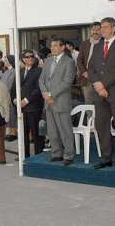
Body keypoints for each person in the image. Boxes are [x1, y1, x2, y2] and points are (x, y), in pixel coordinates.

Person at [88, 18, 115, 172]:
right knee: (101, 126)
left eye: (105, 27)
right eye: (101, 27)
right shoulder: (98, 45)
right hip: (100, 93)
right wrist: (97, 84)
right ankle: (106, 158)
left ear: (113, 28)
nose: (102, 30)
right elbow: (91, 67)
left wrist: (103, 84)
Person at [39, 38, 77, 166]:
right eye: (51, 46)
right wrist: (45, 93)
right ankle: (56, 153)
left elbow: (67, 82)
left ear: (62, 47)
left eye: (55, 46)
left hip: (60, 101)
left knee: (65, 129)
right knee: (52, 130)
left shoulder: (69, 62)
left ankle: (69, 154)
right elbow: (41, 80)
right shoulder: (48, 60)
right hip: (48, 102)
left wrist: (51, 94)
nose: (52, 48)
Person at [18, 50, 45, 157]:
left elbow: (38, 89)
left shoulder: (39, 71)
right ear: (23, 59)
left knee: (36, 134)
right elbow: (14, 88)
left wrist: (26, 100)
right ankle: (25, 155)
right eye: (27, 57)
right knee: (23, 134)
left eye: (32, 57)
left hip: (34, 107)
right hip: (21, 108)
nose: (30, 59)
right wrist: (15, 99)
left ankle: (39, 156)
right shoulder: (20, 71)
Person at [77, 22, 102, 104]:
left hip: (100, 80)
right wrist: (84, 72)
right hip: (86, 79)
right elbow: (79, 60)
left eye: (98, 30)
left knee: (101, 103)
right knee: (88, 103)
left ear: (102, 31)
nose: (95, 32)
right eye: (93, 30)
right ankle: (89, 117)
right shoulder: (85, 43)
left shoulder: (105, 43)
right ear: (90, 31)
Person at [1, 55, 17, 141]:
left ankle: (13, 133)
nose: (4, 62)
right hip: (5, 95)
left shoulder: (13, 71)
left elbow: (10, 85)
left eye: (6, 60)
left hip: (10, 95)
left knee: (12, 114)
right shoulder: (6, 71)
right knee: (8, 114)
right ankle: (9, 132)